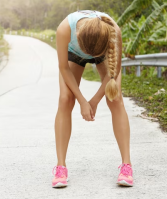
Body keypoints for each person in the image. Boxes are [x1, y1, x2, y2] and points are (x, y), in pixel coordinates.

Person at [52, 10, 133, 188]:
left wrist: (95, 100)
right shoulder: (65, 29)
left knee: (115, 98)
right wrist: (81, 100)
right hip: (73, 52)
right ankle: (60, 167)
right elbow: (64, 68)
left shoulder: (113, 31)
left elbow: (114, 72)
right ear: (78, 35)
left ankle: (126, 166)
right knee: (66, 99)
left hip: (104, 49)